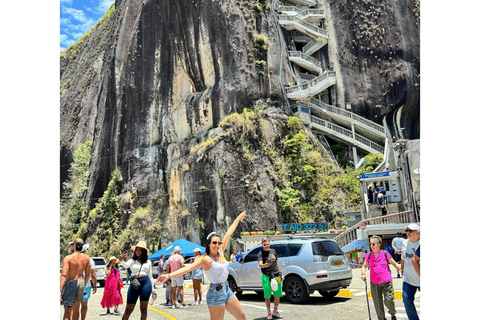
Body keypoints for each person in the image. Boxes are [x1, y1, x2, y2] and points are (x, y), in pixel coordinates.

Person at [156, 211, 247, 320]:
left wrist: (238, 218)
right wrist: (168, 275)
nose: (217, 245)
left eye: (218, 243)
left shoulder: (221, 251)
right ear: (209, 244)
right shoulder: (205, 259)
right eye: (214, 243)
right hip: (215, 293)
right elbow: (188, 268)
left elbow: (229, 232)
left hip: (227, 289)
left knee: (241, 316)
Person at [361, 235, 401, 320]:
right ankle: (382, 318)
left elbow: (394, 264)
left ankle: (393, 313)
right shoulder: (368, 255)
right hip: (374, 283)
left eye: (373, 244)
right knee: (378, 304)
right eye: (370, 244)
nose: (371, 246)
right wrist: (363, 273)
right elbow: (364, 266)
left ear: (379, 244)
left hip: (386, 281)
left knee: (389, 300)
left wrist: (402, 268)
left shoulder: (385, 253)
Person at [119, 240, 155, 320]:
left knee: (143, 309)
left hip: (146, 284)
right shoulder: (132, 261)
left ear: (144, 251)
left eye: (140, 250)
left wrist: (153, 290)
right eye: (137, 250)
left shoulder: (148, 261)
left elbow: (150, 276)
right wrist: (121, 260)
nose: (138, 252)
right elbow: (126, 265)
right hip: (134, 284)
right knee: (128, 309)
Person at [60, 238, 91, 320]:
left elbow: (63, 274)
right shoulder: (86, 258)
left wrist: (59, 290)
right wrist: (84, 285)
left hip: (70, 282)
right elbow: (88, 274)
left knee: (67, 311)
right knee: (76, 309)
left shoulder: (68, 258)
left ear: (74, 246)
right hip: (81, 282)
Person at [258, 238, 283, 319]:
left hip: (276, 275)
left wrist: (280, 273)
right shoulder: (260, 253)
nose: (266, 246)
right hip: (266, 276)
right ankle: (269, 312)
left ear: (269, 244)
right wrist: (264, 265)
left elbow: (276, 262)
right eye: (264, 244)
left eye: (267, 244)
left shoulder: (273, 251)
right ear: (262, 245)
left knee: (278, 294)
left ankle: (275, 311)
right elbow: (260, 264)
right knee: (267, 295)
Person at [401, 224, 421, 320]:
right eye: (406, 230)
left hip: (420, 278)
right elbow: (403, 258)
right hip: (408, 278)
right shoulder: (405, 242)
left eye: (410, 231)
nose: (408, 233)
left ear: (418, 232)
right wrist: (401, 269)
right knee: (406, 298)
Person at [80, 244, 97, 320]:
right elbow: (93, 274)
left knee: (75, 305)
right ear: (86, 250)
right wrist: (95, 285)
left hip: (74, 284)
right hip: (86, 285)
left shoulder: (73, 258)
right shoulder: (90, 260)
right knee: (84, 304)